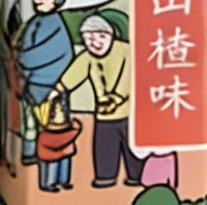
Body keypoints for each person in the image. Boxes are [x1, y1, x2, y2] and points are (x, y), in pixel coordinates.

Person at [55, 14, 143, 189]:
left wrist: (117, 98)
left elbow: (129, 76)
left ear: (111, 35)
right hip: (103, 113)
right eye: (89, 38)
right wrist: (57, 90)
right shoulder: (87, 57)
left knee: (133, 148)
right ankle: (105, 176)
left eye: (101, 36)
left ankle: (136, 176)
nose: (95, 42)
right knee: (105, 146)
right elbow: (73, 74)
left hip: (129, 111)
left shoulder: (126, 50)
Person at [14, 0, 76, 167]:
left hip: (51, 86)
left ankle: (56, 168)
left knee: (54, 127)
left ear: (56, 0)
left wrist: (22, 58)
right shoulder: (34, 22)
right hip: (30, 83)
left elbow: (52, 54)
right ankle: (29, 153)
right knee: (29, 124)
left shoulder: (56, 25)